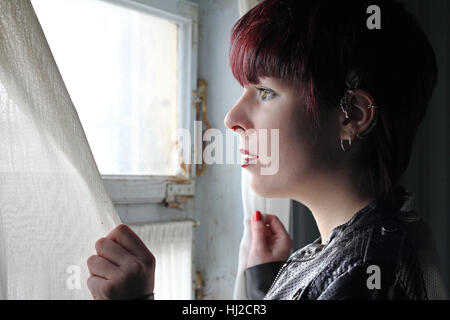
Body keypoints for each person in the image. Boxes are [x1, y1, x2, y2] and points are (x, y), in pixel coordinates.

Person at [86, 0, 448, 300]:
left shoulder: (365, 271)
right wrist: (267, 279)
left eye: (265, 93)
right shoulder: (377, 242)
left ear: (351, 114)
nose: (232, 118)